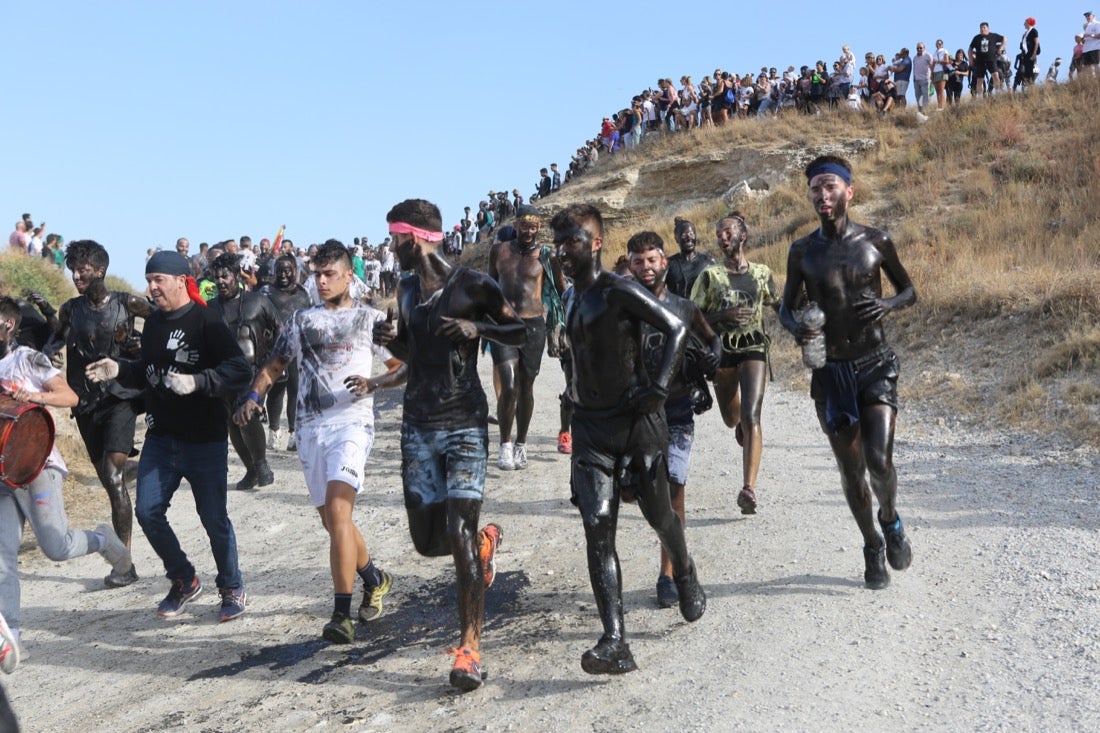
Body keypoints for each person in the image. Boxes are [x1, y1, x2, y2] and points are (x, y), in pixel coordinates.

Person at [374, 198, 525, 691]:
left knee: (457, 530)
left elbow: (519, 330)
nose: (388, 246)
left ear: (412, 238)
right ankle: (483, 546)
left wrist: (476, 327)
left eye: (392, 237)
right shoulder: (405, 289)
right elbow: (411, 351)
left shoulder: (472, 284)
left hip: (463, 421)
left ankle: (470, 649)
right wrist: (389, 341)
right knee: (426, 542)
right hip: (417, 424)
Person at [551, 203, 705, 676]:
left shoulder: (618, 291)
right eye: (558, 244)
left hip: (638, 426)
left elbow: (676, 327)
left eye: (572, 242)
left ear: (596, 244)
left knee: (660, 515)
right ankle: (616, 640)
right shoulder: (571, 298)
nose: (563, 252)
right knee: (598, 526)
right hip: (592, 430)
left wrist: (659, 388)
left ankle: (685, 570)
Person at [236, 241, 406, 643]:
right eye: (318, 274)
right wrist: (253, 397)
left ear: (350, 275)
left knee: (337, 508)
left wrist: (373, 383)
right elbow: (274, 365)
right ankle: (374, 578)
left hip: (352, 423)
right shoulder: (301, 321)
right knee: (334, 522)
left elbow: (401, 370)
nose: (323, 281)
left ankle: (341, 614)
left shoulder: (370, 319)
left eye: (330, 274)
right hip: (309, 429)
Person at [85, 251, 252, 620]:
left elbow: (240, 370)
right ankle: (184, 579)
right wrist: (120, 369)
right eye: (149, 280)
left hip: (204, 440)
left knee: (213, 518)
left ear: (181, 281)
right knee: (147, 511)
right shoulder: (156, 324)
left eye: (158, 279)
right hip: (161, 439)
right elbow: (148, 371)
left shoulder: (207, 320)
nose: (151, 287)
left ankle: (232, 585)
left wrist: (198, 381)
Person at [778, 155, 916, 590]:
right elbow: (784, 306)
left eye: (831, 186)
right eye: (816, 188)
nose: (823, 194)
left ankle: (890, 520)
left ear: (849, 192)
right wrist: (797, 328)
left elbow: (909, 290)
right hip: (830, 372)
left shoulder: (876, 240)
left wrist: (889, 304)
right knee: (852, 469)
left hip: (875, 364)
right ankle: (871, 544)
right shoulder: (802, 252)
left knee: (879, 461)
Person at [1, 297, 134, 648]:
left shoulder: (27, 359)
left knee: (56, 547)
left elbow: (69, 396)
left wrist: (29, 395)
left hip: (36, 466)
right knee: (2, 556)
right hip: (2, 476)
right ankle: (10, 634)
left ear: (8, 325)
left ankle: (105, 540)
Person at [626, 232, 720, 609]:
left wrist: (711, 360)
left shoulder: (683, 307)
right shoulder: (624, 309)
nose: (646, 268)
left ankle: (670, 573)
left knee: (673, 490)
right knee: (635, 492)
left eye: (652, 260)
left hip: (678, 411)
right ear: (629, 265)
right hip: (635, 415)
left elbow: (712, 340)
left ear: (664, 262)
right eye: (638, 261)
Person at [47, 240, 150, 586]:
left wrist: (143, 346)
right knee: (110, 479)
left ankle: (125, 565)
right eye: (73, 269)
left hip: (120, 397)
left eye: (83, 269)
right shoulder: (70, 310)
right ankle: (145, 467)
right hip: (86, 403)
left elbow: (168, 323)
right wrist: (48, 355)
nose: (76, 275)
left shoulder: (128, 303)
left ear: (100, 270)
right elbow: (54, 340)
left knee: (112, 476)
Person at [690, 213, 778, 516]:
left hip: (754, 348)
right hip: (721, 351)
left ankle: (748, 488)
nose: (722, 237)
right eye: (718, 234)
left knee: (753, 413)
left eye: (727, 232)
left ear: (743, 233)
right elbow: (693, 317)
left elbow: (779, 304)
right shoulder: (710, 276)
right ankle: (739, 424)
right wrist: (723, 317)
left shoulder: (762, 273)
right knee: (732, 418)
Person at [487, 205, 565, 471]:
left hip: (533, 326)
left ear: (538, 228)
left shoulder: (546, 255)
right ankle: (504, 445)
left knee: (526, 386)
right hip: (504, 324)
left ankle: (521, 443)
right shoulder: (499, 251)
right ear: (516, 225)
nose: (529, 231)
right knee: (508, 386)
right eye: (524, 226)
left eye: (534, 227)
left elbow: (561, 291)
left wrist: (565, 325)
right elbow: (489, 286)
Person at [208, 252, 279, 491]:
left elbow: (280, 331)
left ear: (237, 276)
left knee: (247, 415)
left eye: (225, 276)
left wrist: (271, 364)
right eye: (216, 277)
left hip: (254, 372)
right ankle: (251, 469)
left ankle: (261, 464)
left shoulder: (257, 301)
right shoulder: (210, 308)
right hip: (223, 375)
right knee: (231, 423)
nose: (220, 281)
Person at [259, 254, 312, 451]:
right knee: (275, 391)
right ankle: (274, 432)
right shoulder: (266, 292)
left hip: (298, 350)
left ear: (294, 272)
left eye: (287, 270)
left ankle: (293, 434)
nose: (283, 274)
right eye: (279, 270)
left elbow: (310, 319)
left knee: (296, 391)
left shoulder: (303, 294)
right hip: (274, 349)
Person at [665, 217, 716, 299]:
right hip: (676, 310)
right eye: (684, 235)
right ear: (676, 239)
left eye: (691, 234)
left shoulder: (708, 262)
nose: (689, 238)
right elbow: (657, 291)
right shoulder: (668, 264)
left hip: (703, 311)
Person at [970, 22, 1006, 95]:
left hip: (991, 60)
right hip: (980, 61)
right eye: (981, 28)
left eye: (984, 28)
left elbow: (1005, 39)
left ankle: (998, 93)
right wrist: (970, 59)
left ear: (988, 28)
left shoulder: (993, 36)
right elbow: (970, 49)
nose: (982, 29)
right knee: (979, 79)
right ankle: (980, 97)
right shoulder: (977, 38)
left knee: (995, 75)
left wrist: (1001, 48)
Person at [1018, 18, 1040, 89]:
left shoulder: (1034, 31)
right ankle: (1026, 87)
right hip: (1026, 54)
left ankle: (1031, 87)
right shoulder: (1026, 33)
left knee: (1031, 71)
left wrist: (1034, 54)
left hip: (1031, 54)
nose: (1024, 24)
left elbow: (1036, 43)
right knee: (1025, 71)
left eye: (1025, 22)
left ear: (1028, 23)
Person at [1083, 12, 1100, 78]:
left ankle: (1098, 80)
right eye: (1086, 16)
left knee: (1096, 65)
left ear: (1093, 16)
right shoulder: (1088, 26)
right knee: (1087, 67)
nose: (1087, 17)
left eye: (1089, 16)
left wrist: (1090, 35)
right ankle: (1091, 81)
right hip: (1087, 49)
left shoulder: (1097, 24)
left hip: (1095, 48)